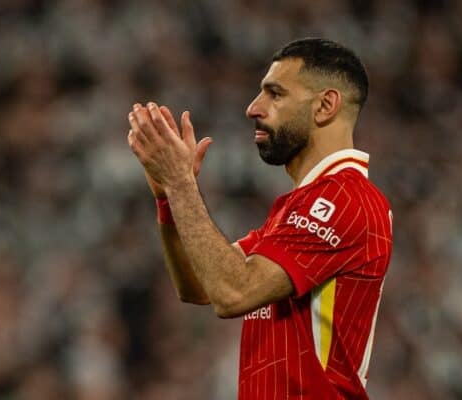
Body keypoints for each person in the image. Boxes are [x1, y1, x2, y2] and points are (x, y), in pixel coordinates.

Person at [127, 38, 393, 400]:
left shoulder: (346, 199)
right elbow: (199, 287)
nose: (253, 108)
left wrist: (181, 183)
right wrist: (169, 197)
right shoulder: (299, 205)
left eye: (275, 94)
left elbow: (233, 293)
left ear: (326, 105)